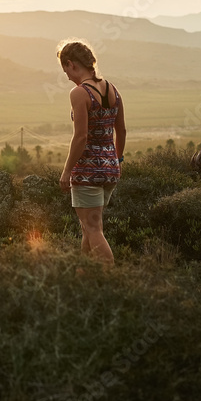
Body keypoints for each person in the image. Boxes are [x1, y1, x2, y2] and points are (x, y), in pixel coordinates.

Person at [57, 40, 126, 265]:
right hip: (110, 170)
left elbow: (81, 137)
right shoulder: (112, 89)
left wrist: (67, 171)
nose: (66, 75)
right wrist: (118, 160)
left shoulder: (79, 93)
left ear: (71, 64)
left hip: (87, 172)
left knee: (93, 229)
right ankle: (83, 279)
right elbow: (121, 130)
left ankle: (113, 279)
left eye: (65, 69)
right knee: (90, 229)